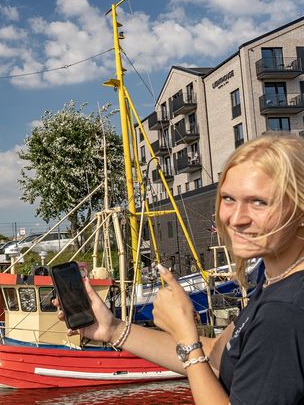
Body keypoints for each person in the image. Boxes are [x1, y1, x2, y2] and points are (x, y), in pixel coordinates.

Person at [54, 133, 304, 404]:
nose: (236, 218)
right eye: (229, 199)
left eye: (259, 202)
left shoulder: (284, 312)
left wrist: (187, 338)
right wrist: (113, 329)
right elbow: (219, 357)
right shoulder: (272, 281)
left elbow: (200, 355)